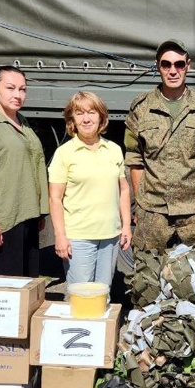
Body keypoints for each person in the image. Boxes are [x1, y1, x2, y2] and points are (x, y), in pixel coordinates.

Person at [124, 39, 195, 251]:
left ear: (188, 66)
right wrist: (141, 206)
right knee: (147, 276)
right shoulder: (141, 107)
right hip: (153, 207)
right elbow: (135, 159)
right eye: (166, 64)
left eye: (179, 64)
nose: (173, 70)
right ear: (158, 66)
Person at [0, 66, 48, 277]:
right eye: (10, 88)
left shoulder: (23, 122)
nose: (17, 95)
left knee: (27, 286)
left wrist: (38, 212)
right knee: (7, 289)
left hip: (27, 216)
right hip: (5, 220)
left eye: (22, 89)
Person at [48, 91, 132, 287]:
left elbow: (124, 190)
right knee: (81, 294)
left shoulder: (114, 149)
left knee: (103, 292)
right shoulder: (64, 153)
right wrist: (60, 236)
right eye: (79, 113)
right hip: (79, 236)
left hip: (110, 236)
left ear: (101, 116)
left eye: (92, 112)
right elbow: (55, 199)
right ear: (72, 119)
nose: (86, 119)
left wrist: (126, 225)